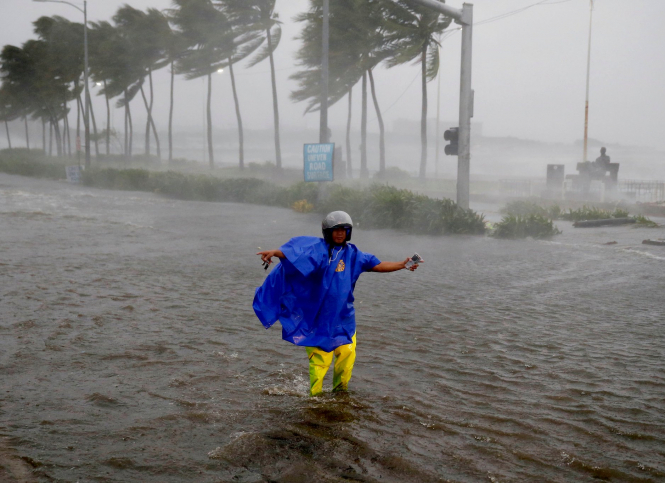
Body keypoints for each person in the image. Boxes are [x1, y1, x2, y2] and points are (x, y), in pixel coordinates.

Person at [253, 211, 419, 396]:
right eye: (336, 230)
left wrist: (402, 264)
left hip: (344, 317)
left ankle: (340, 395)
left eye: (344, 230)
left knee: (347, 356)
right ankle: (315, 399)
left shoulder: (354, 254)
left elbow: (378, 265)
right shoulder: (317, 250)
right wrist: (275, 252)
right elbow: (297, 254)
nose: (340, 233)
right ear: (327, 231)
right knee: (320, 362)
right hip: (318, 319)